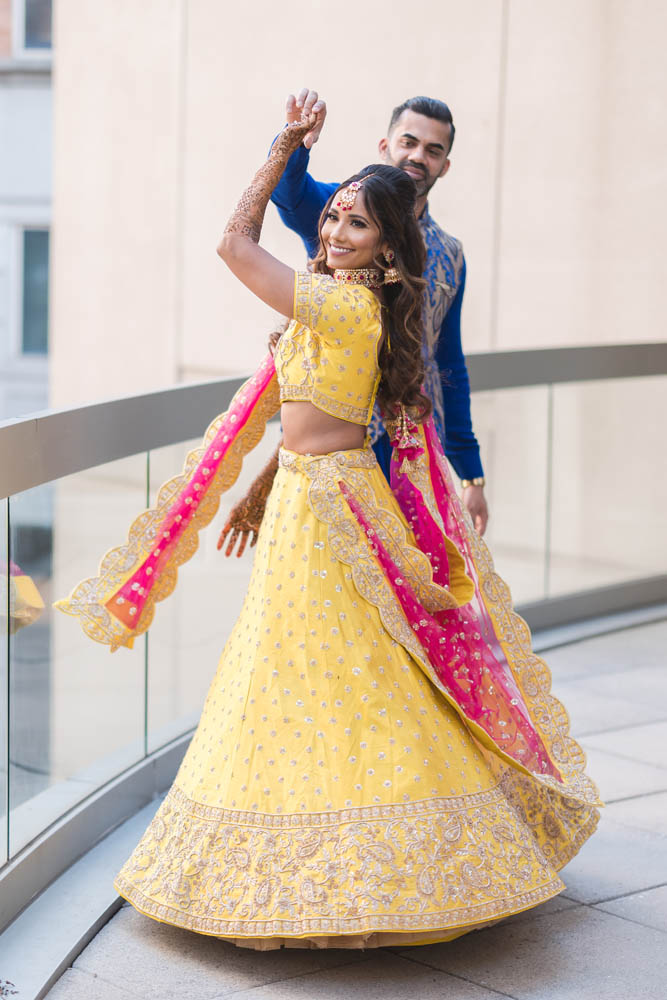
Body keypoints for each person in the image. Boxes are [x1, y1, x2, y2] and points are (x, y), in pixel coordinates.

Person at [57, 108, 600, 950]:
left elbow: (234, 246)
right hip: (314, 499)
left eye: (358, 223)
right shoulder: (341, 307)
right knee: (320, 671)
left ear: (388, 248)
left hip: (329, 512)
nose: (338, 230)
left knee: (321, 671)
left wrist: (280, 149)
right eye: (336, 216)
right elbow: (315, 417)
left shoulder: (346, 310)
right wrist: (259, 487)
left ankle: (374, 864)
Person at [218, 89, 488, 562]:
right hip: (343, 446)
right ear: (385, 147)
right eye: (408, 141)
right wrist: (296, 143)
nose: (417, 156)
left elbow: (449, 362)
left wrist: (470, 473)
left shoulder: (452, 254)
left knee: (413, 585)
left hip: (414, 446)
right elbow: (289, 195)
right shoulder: (345, 215)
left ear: (445, 165)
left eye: (433, 149)